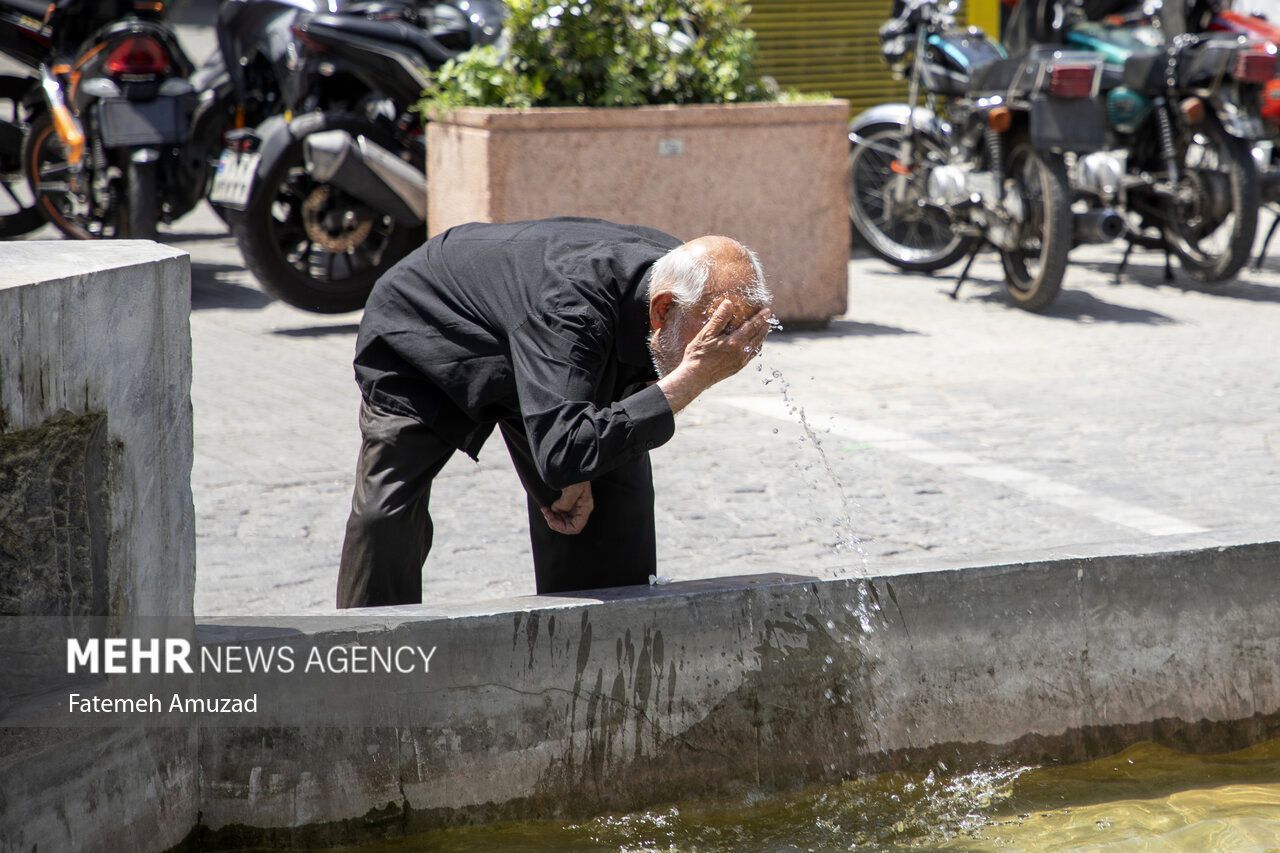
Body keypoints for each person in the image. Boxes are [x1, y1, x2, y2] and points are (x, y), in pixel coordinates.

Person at [336, 217, 773, 608]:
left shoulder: (676, 277)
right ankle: (368, 656)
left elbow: (584, 438)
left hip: (533, 335)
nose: (729, 347)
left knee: (605, 509)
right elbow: (563, 452)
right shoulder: (571, 310)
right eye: (720, 329)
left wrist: (582, 453)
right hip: (425, 329)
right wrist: (691, 378)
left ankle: (602, 664)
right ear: (662, 310)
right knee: (385, 517)